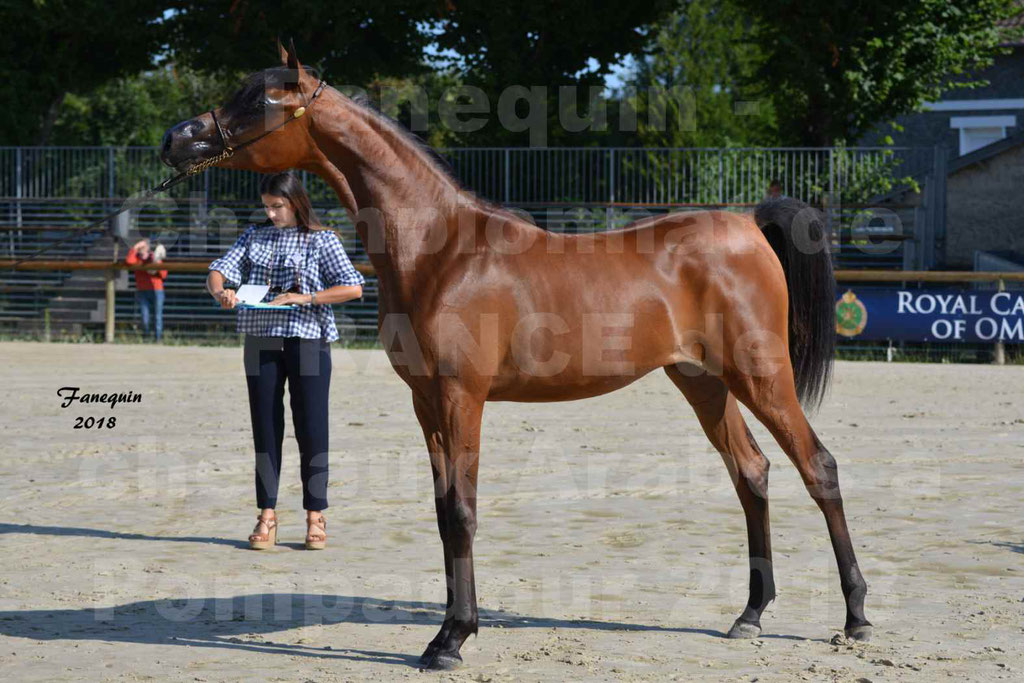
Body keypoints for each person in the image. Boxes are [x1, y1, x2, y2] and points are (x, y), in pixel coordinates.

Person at [206, 171, 365, 550]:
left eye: (277, 206)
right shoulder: (252, 235)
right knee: (265, 428)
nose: (272, 213)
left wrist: (304, 298)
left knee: (312, 429)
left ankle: (316, 514)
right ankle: (267, 514)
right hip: (260, 340)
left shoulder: (323, 239)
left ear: (296, 203)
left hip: (308, 341)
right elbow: (218, 269)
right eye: (266, 207)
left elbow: (353, 287)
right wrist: (221, 292)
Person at [126, 238, 168, 342]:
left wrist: (156, 263)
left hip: (157, 290)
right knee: (144, 317)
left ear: (148, 248)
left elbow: (164, 274)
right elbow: (128, 261)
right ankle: (147, 337)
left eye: (143, 247)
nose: (141, 249)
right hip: (142, 290)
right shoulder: (136, 259)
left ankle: (158, 339)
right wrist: (135, 248)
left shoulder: (154, 257)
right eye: (139, 247)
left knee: (158, 316)